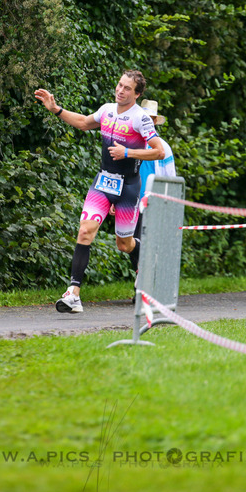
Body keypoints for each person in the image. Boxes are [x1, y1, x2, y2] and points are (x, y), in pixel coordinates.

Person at [35, 70, 165, 314]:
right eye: (119, 85)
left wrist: (128, 153)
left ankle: (145, 259)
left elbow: (159, 151)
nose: (120, 90)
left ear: (137, 94)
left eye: (127, 88)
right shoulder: (106, 109)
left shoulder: (141, 118)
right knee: (85, 231)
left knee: (124, 245)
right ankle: (73, 294)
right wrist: (56, 109)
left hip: (128, 186)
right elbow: (84, 123)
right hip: (103, 182)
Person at [134, 99, 177, 241]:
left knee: (146, 247)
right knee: (129, 246)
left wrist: (168, 209)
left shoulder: (164, 148)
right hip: (130, 203)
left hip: (151, 206)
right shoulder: (131, 143)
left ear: (154, 122)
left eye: (149, 119)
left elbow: (171, 180)